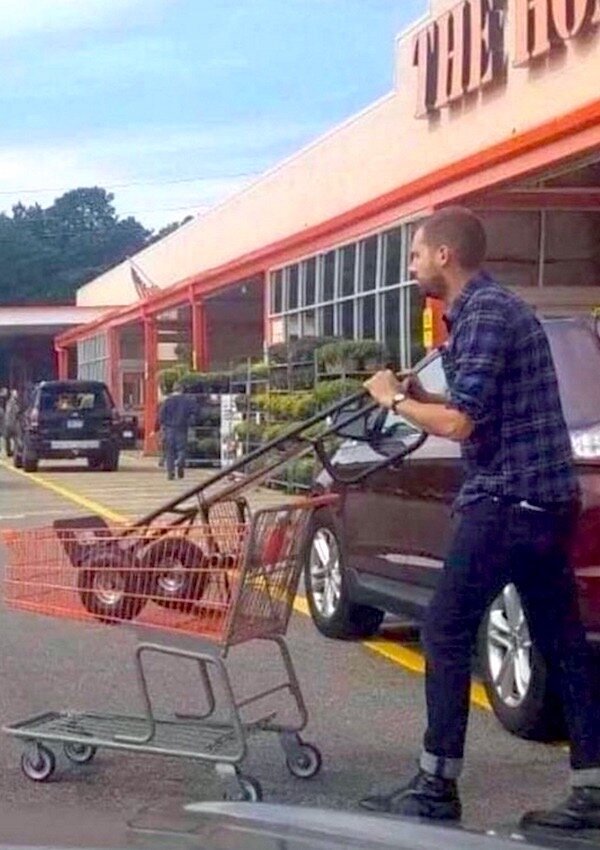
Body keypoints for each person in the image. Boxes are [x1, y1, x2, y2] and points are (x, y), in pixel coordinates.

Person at [361, 206, 600, 829]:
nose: (411, 266)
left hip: (509, 501)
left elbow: (462, 423)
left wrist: (394, 400)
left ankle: (436, 787)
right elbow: (478, 405)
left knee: (444, 630)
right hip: (543, 500)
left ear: (445, 255)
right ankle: (593, 792)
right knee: (562, 642)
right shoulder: (483, 313)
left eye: (416, 254)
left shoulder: (488, 313)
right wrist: (422, 397)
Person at [158, 382, 196, 480]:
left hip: (169, 429)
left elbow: (161, 415)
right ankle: (180, 462)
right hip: (182, 428)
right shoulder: (188, 401)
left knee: (169, 451)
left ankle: (170, 472)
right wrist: (189, 422)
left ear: (173, 389)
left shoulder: (167, 401)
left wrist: (163, 425)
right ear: (182, 389)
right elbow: (194, 413)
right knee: (182, 449)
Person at [4, 389, 20, 457]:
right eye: (15, 394)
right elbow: (17, 412)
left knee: (10, 439)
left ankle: (10, 451)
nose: (16, 395)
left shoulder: (9, 403)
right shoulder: (13, 403)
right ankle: (11, 451)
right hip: (12, 423)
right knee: (14, 438)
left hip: (9, 423)